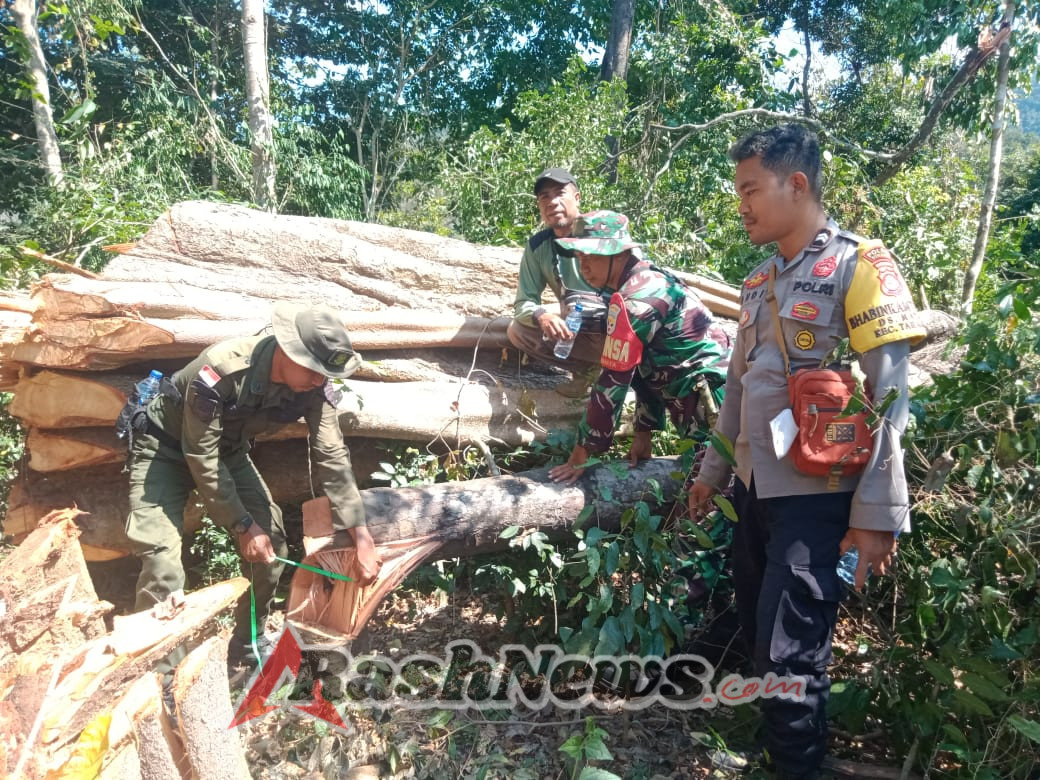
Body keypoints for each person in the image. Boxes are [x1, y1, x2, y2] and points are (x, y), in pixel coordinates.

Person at [688, 125, 925, 778]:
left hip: (819, 499)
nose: (741, 205)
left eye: (750, 189)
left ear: (796, 185)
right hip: (755, 490)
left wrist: (877, 514)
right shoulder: (757, 280)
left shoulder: (860, 264)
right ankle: (793, 755)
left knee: (790, 653)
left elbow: (889, 393)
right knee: (764, 640)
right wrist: (712, 473)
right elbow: (738, 386)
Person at [124, 302, 381, 662]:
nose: (319, 380)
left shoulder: (313, 387)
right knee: (162, 567)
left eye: (326, 373)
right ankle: (157, 673)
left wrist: (361, 535)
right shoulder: (222, 368)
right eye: (313, 369)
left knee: (272, 549)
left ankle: (247, 644)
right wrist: (242, 524)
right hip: (164, 452)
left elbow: (332, 456)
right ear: (288, 351)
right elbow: (201, 456)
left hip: (226, 453)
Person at [546, 210, 731, 485]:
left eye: (592, 255)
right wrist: (644, 431)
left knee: (710, 503)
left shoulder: (638, 299)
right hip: (702, 401)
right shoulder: (641, 281)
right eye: (580, 256)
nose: (583, 265)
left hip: (714, 405)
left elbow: (613, 380)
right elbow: (645, 367)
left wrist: (582, 453)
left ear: (619, 254)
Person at [507, 167, 608, 397]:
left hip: (617, 331)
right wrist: (543, 316)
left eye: (559, 193)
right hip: (578, 332)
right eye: (544, 197)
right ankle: (587, 371)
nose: (552, 202)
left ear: (577, 198)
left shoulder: (602, 231)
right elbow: (523, 303)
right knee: (518, 330)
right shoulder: (538, 247)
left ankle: (624, 375)